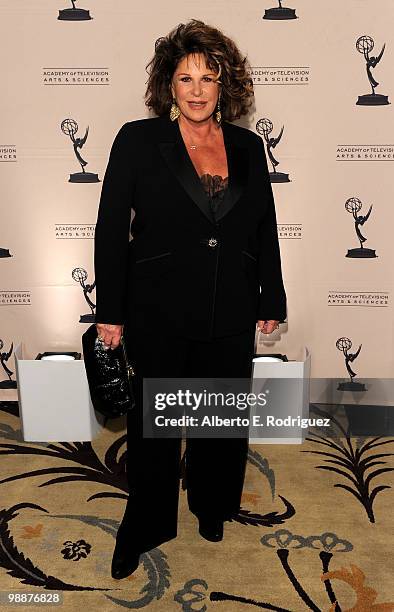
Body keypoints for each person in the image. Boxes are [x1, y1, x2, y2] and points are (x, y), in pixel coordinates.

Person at [94, 19, 287, 580]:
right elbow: (111, 228)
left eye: (209, 76)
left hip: (230, 306)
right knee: (154, 427)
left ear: (226, 84)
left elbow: (264, 227)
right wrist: (111, 311)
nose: (198, 89)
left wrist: (269, 294)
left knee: (221, 421)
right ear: (168, 86)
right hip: (157, 307)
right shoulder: (137, 139)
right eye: (186, 78)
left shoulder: (249, 147)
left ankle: (211, 505)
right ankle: (145, 522)